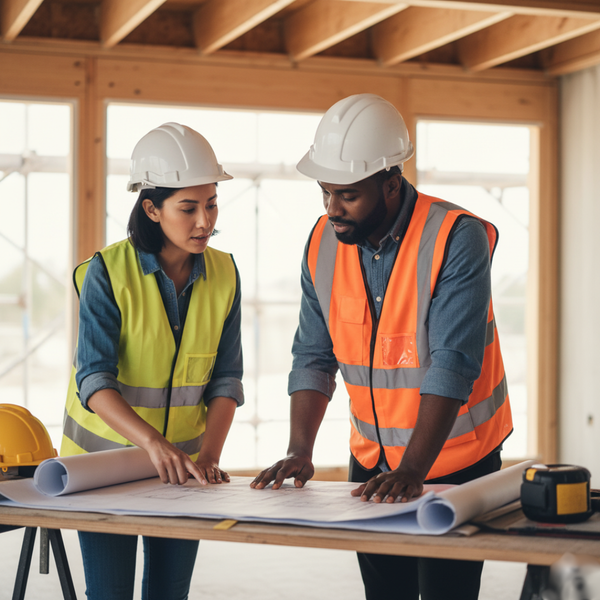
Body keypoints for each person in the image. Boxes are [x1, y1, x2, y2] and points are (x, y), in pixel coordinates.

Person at [251, 94, 513, 600]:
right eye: (325, 193)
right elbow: (313, 355)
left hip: (455, 462)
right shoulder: (323, 242)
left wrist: (413, 470)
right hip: (373, 461)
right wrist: (299, 451)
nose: (332, 209)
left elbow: (452, 364)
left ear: (391, 184)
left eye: (347, 195)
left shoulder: (456, 237)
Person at [61, 122, 243, 600]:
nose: (204, 220)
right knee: (111, 594)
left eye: (211, 203)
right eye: (188, 207)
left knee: (169, 593)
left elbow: (226, 378)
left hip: (183, 469)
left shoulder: (224, 273)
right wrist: (153, 444)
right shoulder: (106, 272)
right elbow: (95, 379)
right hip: (103, 470)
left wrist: (209, 456)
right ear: (151, 208)